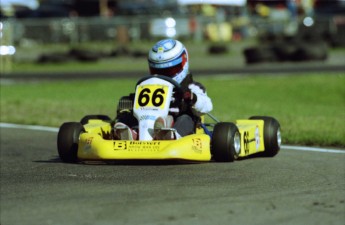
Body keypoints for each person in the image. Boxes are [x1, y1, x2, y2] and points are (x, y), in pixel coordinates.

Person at [114, 39, 213, 140]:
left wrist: (193, 98)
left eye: (169, 71)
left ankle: (171, 135)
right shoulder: (148, 86)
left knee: (185, 119)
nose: (164, 76)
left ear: (183, 62)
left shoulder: (192, 87)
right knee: (127, 115)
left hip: (177, 123)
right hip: (147, 121)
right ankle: (131, 133)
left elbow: (207, 106)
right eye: (159, 71)